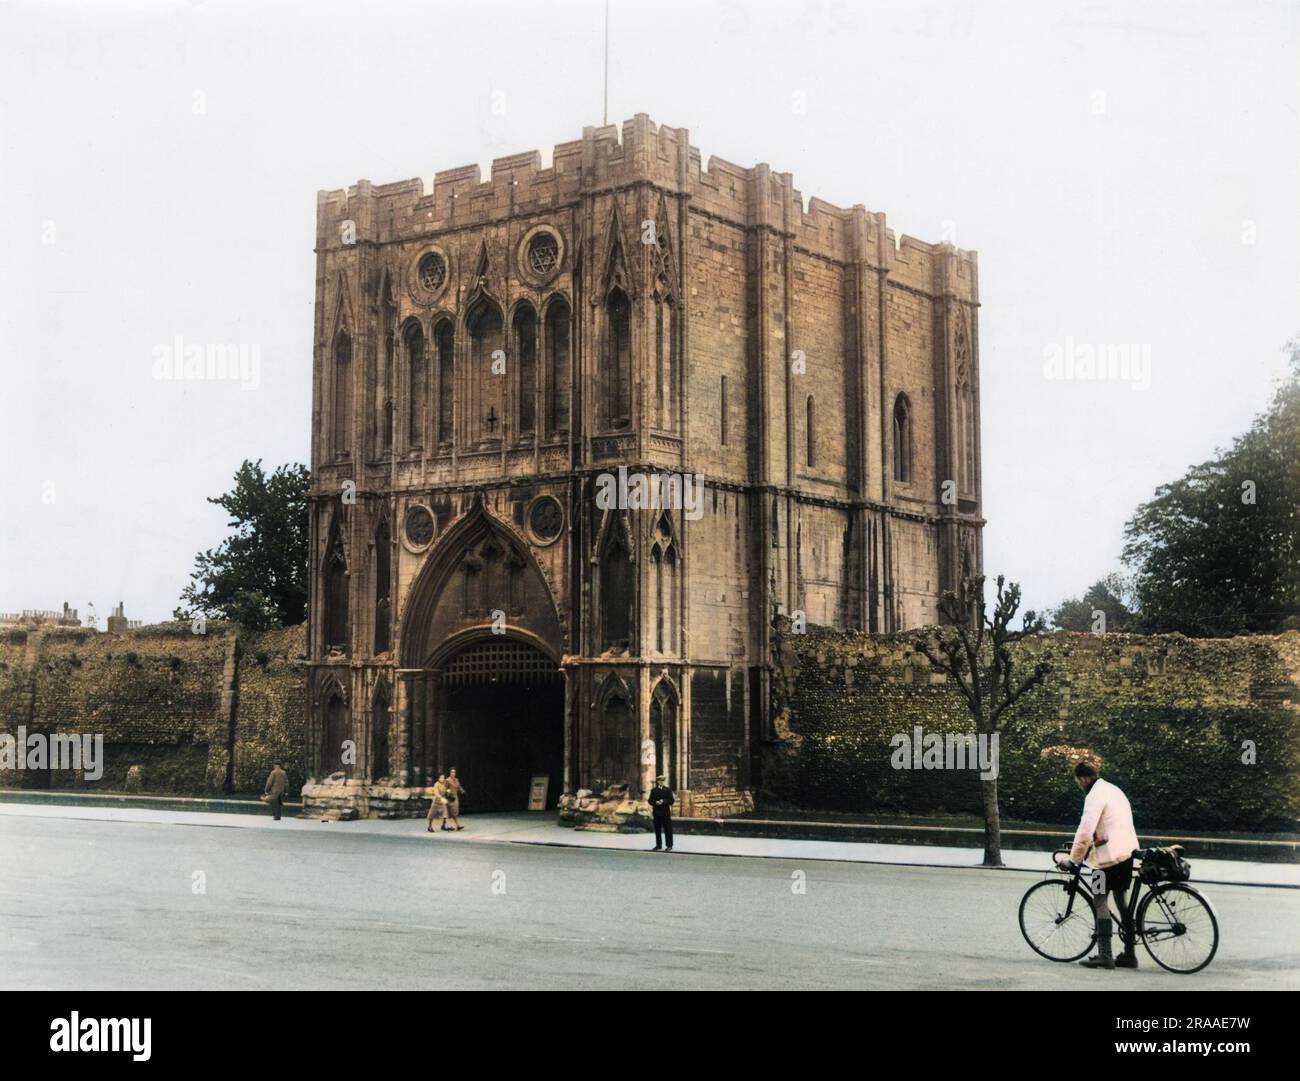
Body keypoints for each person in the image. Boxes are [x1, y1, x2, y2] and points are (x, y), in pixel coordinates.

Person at [1056, 761, 1140, 970]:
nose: (1078, 785)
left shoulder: (1094, 796)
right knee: (1122, 902)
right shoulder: (1113, 789)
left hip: (1104, 863)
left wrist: (1073, 859)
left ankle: (1105, 955)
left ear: (1084, 779)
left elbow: (1085, 830)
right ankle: (1130, 955)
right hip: (1125, 855)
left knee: (1100, 901)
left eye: (1077, 781)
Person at [649, 775, 674, 851]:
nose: (661, 782)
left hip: (665, 813)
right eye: (660, 781)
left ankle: (669, 845)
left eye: (662, 781)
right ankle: (658, 845)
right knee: (657, 830)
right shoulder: (654, 790)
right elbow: (650, 800)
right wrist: (655, 802)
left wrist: (663, 801)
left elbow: (671, 800)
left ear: (664, 781)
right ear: (657, 781)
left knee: (668, 830)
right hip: (657, 813)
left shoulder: (667, 790)